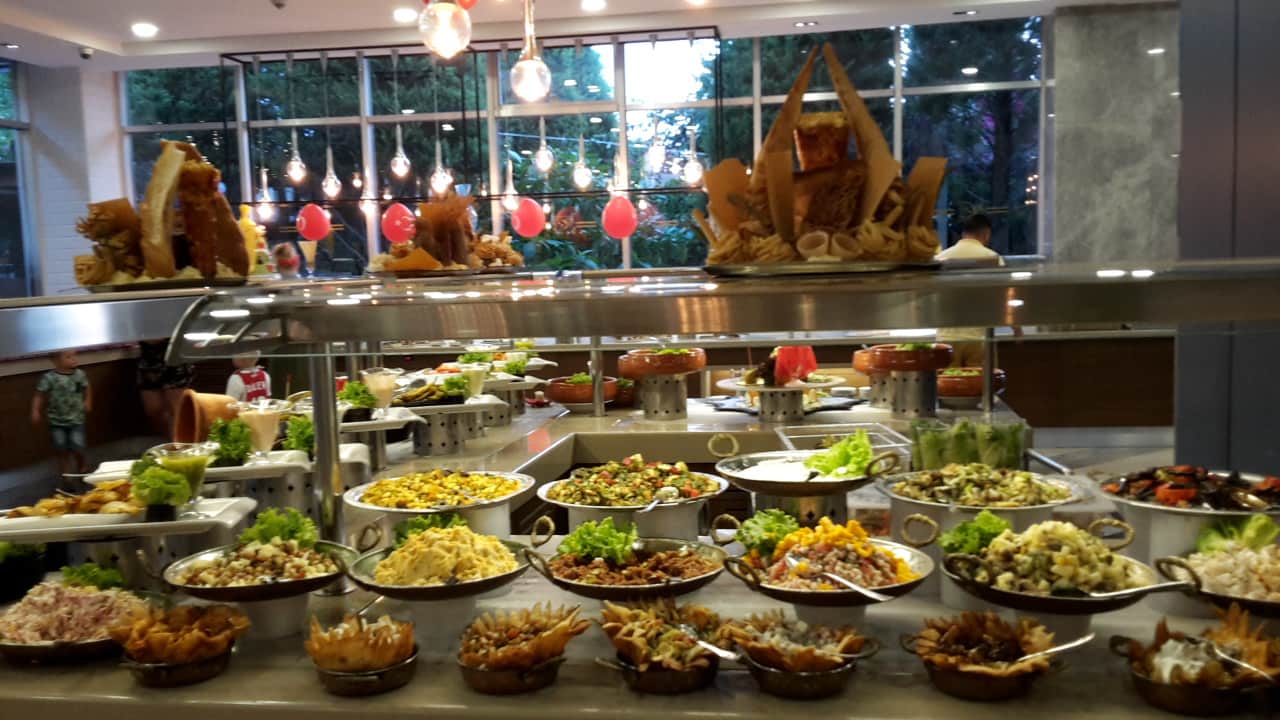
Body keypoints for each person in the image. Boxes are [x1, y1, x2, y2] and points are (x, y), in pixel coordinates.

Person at [938, 213, 1004, 367]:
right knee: (980, 381)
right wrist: (1016, 328)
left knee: (948, 381)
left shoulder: (941, 258)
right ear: (987, 234)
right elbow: (1002, 295)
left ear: (963, 234)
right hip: (979, 336)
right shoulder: (992, 258)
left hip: (947, 336)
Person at [31, 350, 91, 475]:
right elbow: (39, 395)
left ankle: (82, 465)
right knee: (60, 447)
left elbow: (87, 388)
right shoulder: (49, 378)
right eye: (68, 357)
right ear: (55, 360)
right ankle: (65, 471)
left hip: (76, 419)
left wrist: (88, 401)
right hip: (56, 421)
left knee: (78, 446)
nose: (74, 359)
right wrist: (35, 410)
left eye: (74, 355)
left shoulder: (80, 374)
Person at [137, 339, 195, 440]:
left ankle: (177, 444)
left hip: (175, 358)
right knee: (154, 410)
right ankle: (168, 442)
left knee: (176, 411)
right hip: (148, 361)